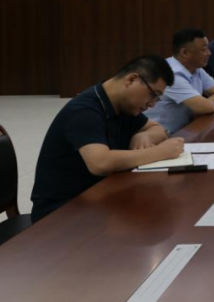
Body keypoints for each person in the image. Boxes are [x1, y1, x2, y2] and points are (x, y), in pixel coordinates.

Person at [30, 55, 184, 222]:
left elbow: (158, 129)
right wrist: (161, 152)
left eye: (157, 98)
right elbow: (100, 163)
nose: (152, 104)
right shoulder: (84, 110)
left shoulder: (123, 105)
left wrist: (143, 135)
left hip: (97, 197)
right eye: (153, 94)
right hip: (61, 212)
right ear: (131, 80)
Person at [145, 28, 214, 134]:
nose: (209, 53)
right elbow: (204, 107)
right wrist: (205, 104)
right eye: (204, 50)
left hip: (185, 130)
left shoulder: (196, 68)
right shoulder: (171, 73)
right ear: (185, 53)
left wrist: (207, 102)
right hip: (160, 135)